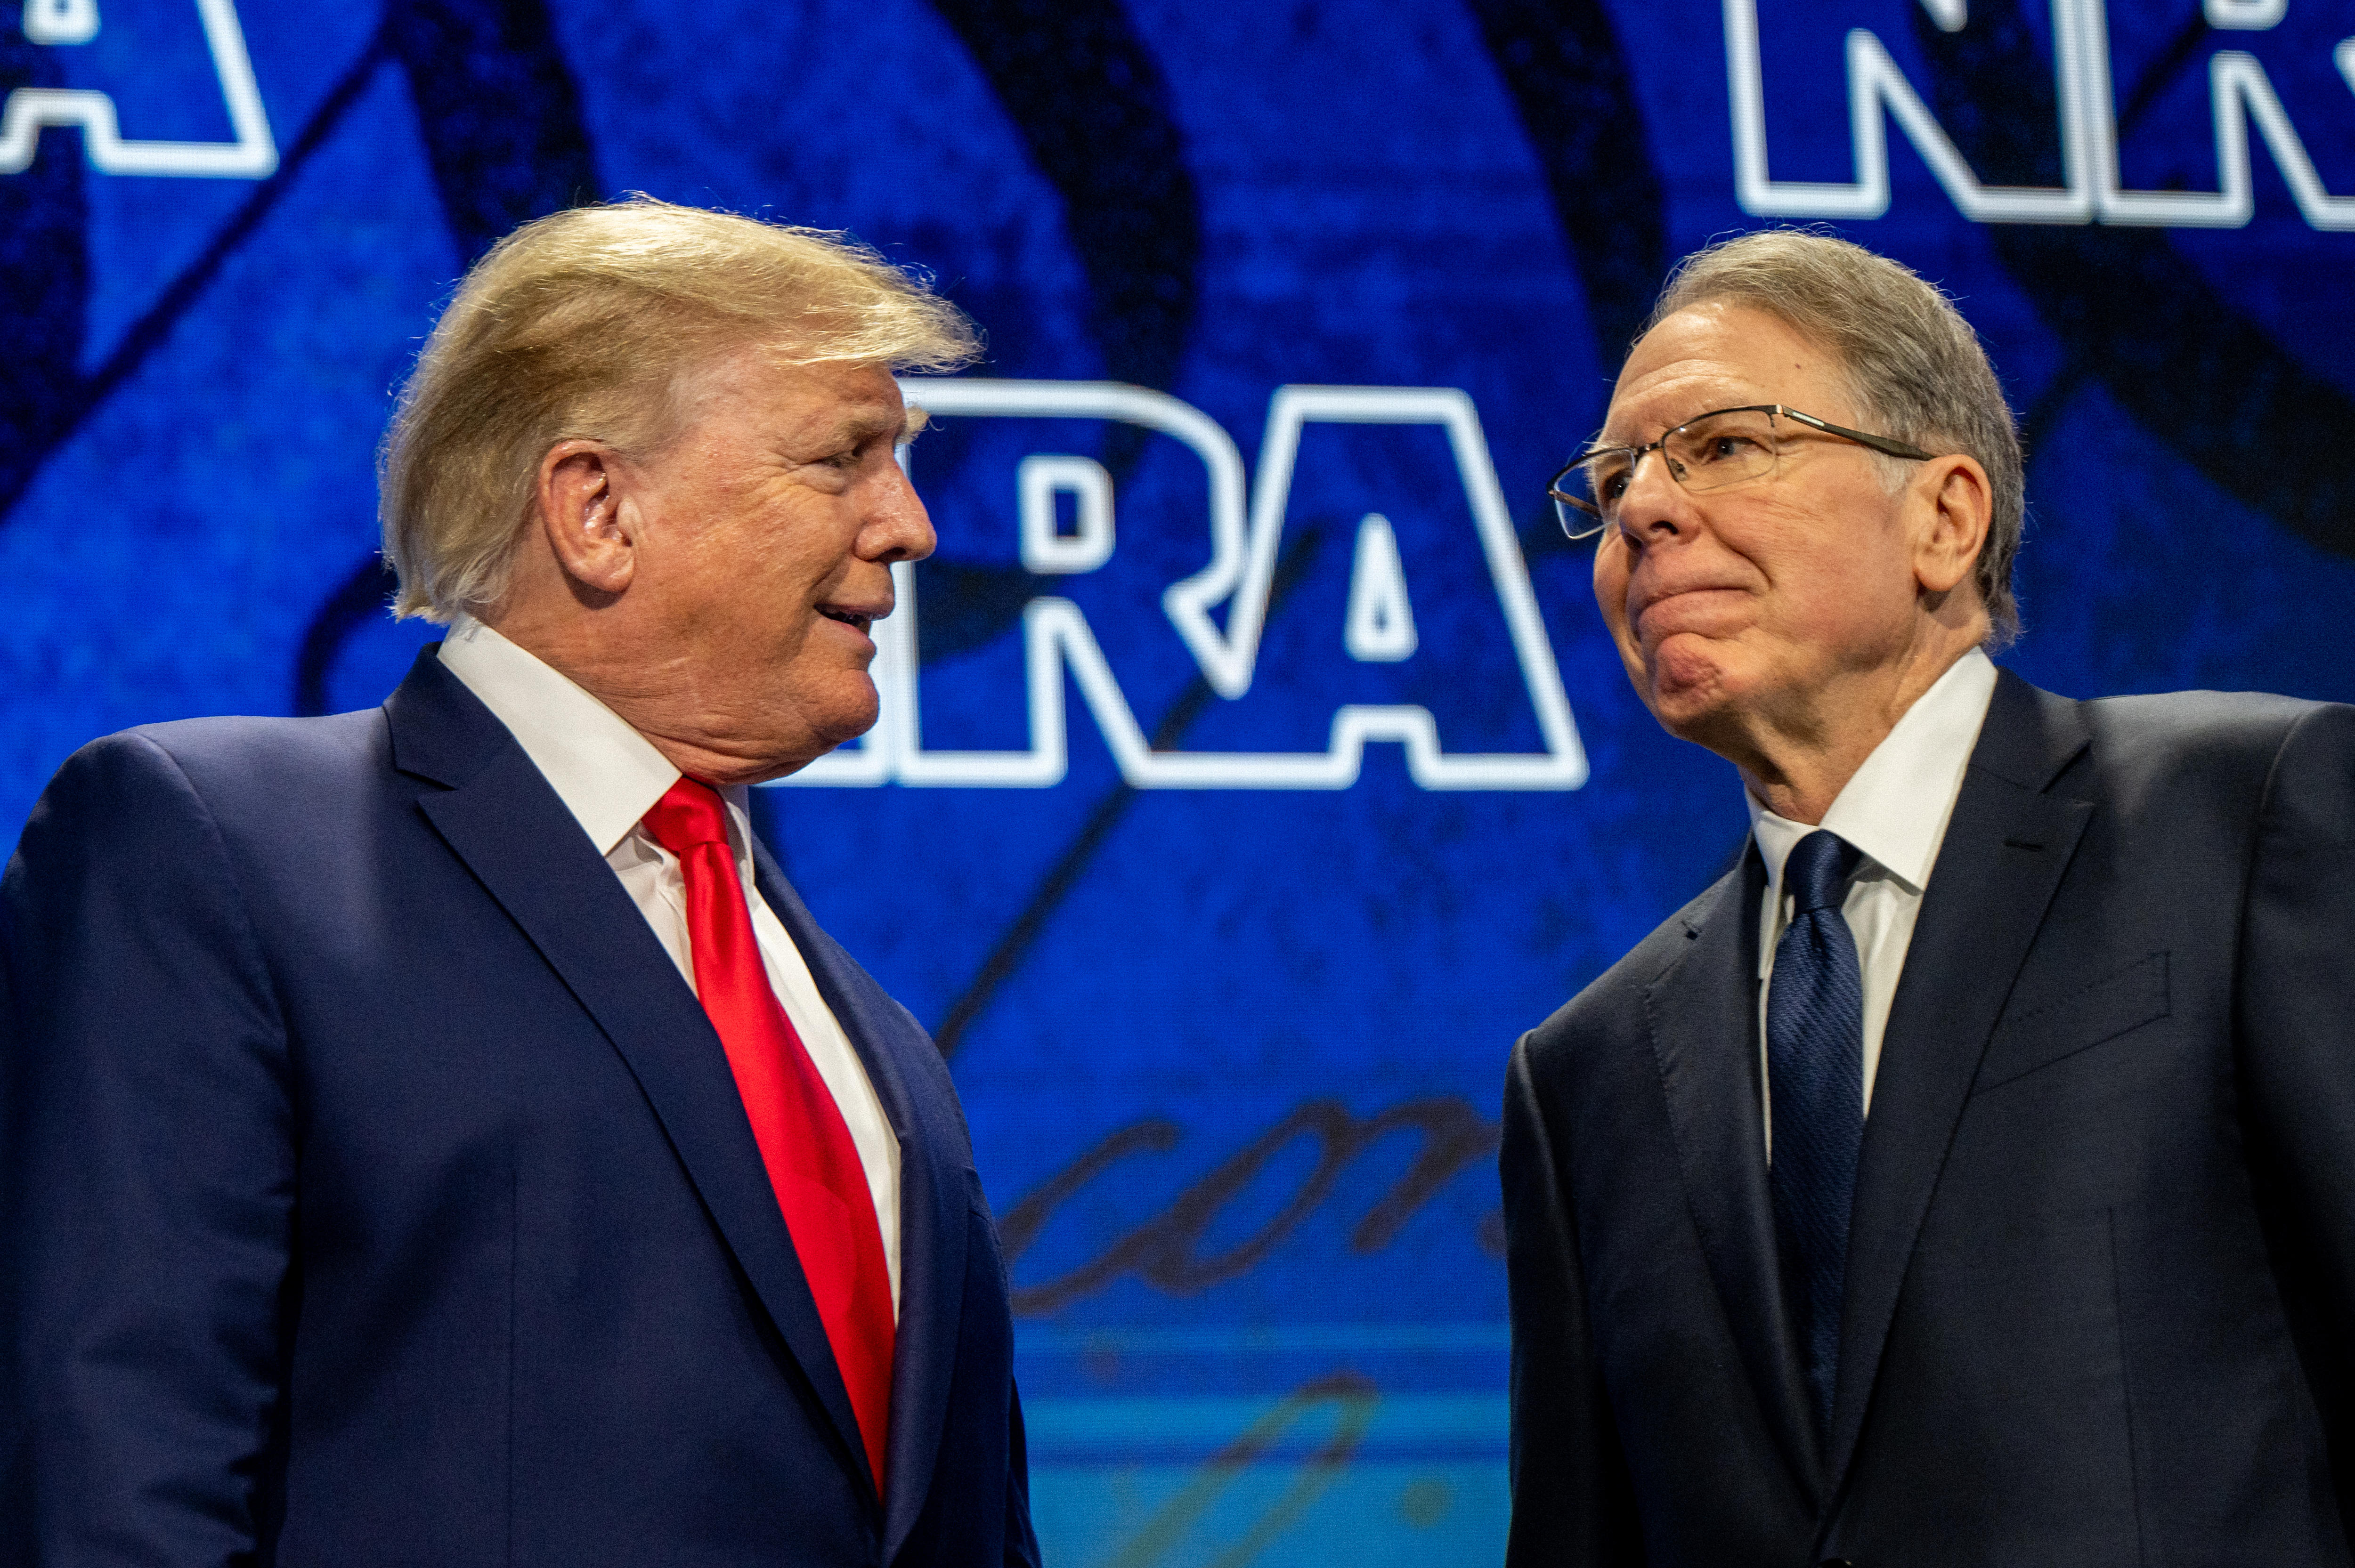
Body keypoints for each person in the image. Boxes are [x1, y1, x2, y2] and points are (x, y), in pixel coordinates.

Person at [0, 197, 1039, 1566]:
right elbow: (114, 1476)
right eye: (844, 457)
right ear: (597, 509)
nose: (911, 526)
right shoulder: (212, 853)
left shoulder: (865, 1028)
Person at [1502, 229, 2355, 1566]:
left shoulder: (2246, 822)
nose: (1644, 511)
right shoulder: (1586, 1074)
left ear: (1945, 520)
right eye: (1615, 481)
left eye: (1722, 445)